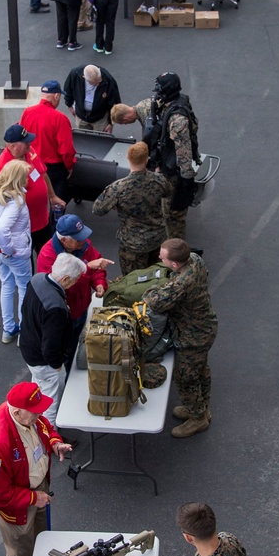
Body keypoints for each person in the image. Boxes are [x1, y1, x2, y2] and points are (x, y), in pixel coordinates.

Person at [0, 381, 72, 556]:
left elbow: (44, 427)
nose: (40, 415)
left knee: (41, 538)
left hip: (36, 492)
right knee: (20, 551)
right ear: (18, 412)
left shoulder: (28, 416)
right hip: (19, 503)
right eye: (35, 412)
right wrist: (32, 497)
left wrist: (55, 442)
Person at [142, 239, 217, 438]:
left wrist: (150, 291)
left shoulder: (181, 284)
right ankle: (201, 407)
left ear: (175, 264)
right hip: (204, 327)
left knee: (186, 377)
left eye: (163, 256)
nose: (159, 257)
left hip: (192, 336)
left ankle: (198, 418)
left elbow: (155, 302)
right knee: (200, 369)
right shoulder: (194, 259)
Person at [114, 72, 200, 240]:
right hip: (163, 164)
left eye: (160, 90)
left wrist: (186, 182)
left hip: (172, 172)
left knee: (173, 215)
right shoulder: (163, 105)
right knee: (165, 210)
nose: (157, 94)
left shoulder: (177, 118)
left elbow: (183, 152)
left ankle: (176, 249)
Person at [37, 213, 111, 368]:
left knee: (76, 342)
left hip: (81, 309)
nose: (83, 241)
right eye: (78, 238)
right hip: (64, 316)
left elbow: (97, 267)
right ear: (64, 240)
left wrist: (99, 283)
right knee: (65, 351)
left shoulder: (83, 245)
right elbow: (65, 286)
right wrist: (87, 267)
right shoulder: (47, 256)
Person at [19, 252, 87, 414]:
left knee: (38, 391)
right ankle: (51, 437)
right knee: (50, 403)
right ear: (65, 279)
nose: (76, 283)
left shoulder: (37, 279)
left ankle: (35, 426)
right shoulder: (55, 307)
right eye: (75, 279)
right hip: (44, 362)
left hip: (29, 348)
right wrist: (56, 363)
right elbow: (50, 345)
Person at [92, 140, 170, 275]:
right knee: (157, 277)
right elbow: (168, 192)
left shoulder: (118, 188)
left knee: (133, 282)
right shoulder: (159, 180)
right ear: (146, 160)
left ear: (128, 158)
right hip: (157, 240)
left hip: (133, 244)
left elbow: (98, 210)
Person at [0, 123, 64, 256]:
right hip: (23, 229)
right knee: (26, 263)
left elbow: (43, 173)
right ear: (13, 146)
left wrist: (52, 196)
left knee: (47, 256)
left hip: (43, 220)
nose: (30, 144)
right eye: (25, 142)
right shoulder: (1, 168)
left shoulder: (29, 152)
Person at [0, 159, 33, 343]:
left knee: (7, 285)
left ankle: (8, 329)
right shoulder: (15, 201)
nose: (27, 179)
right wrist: (9, 250)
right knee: (24, 288)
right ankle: (24, 333)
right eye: (25, 176)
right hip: (14, 251)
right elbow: (3, 229)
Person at [21, 81, 77, 202]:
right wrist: (70, 166)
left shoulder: (27, 112)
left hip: (31, 163)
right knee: (57, 201)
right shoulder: (60, 118)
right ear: (56, 96)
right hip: (54, 169)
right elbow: (66, 149)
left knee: (35, 199)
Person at [63, 62, 120, 132]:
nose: (98, 84)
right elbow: (68, 90)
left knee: (101, 140)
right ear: (84, 78)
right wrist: (69, 105)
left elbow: (115, 103)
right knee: (84, 140)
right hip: (81, 117)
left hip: (100, 119)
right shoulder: (75, 74)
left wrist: (111, 123)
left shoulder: (108, 80)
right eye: (94, 84)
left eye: (100, 81)